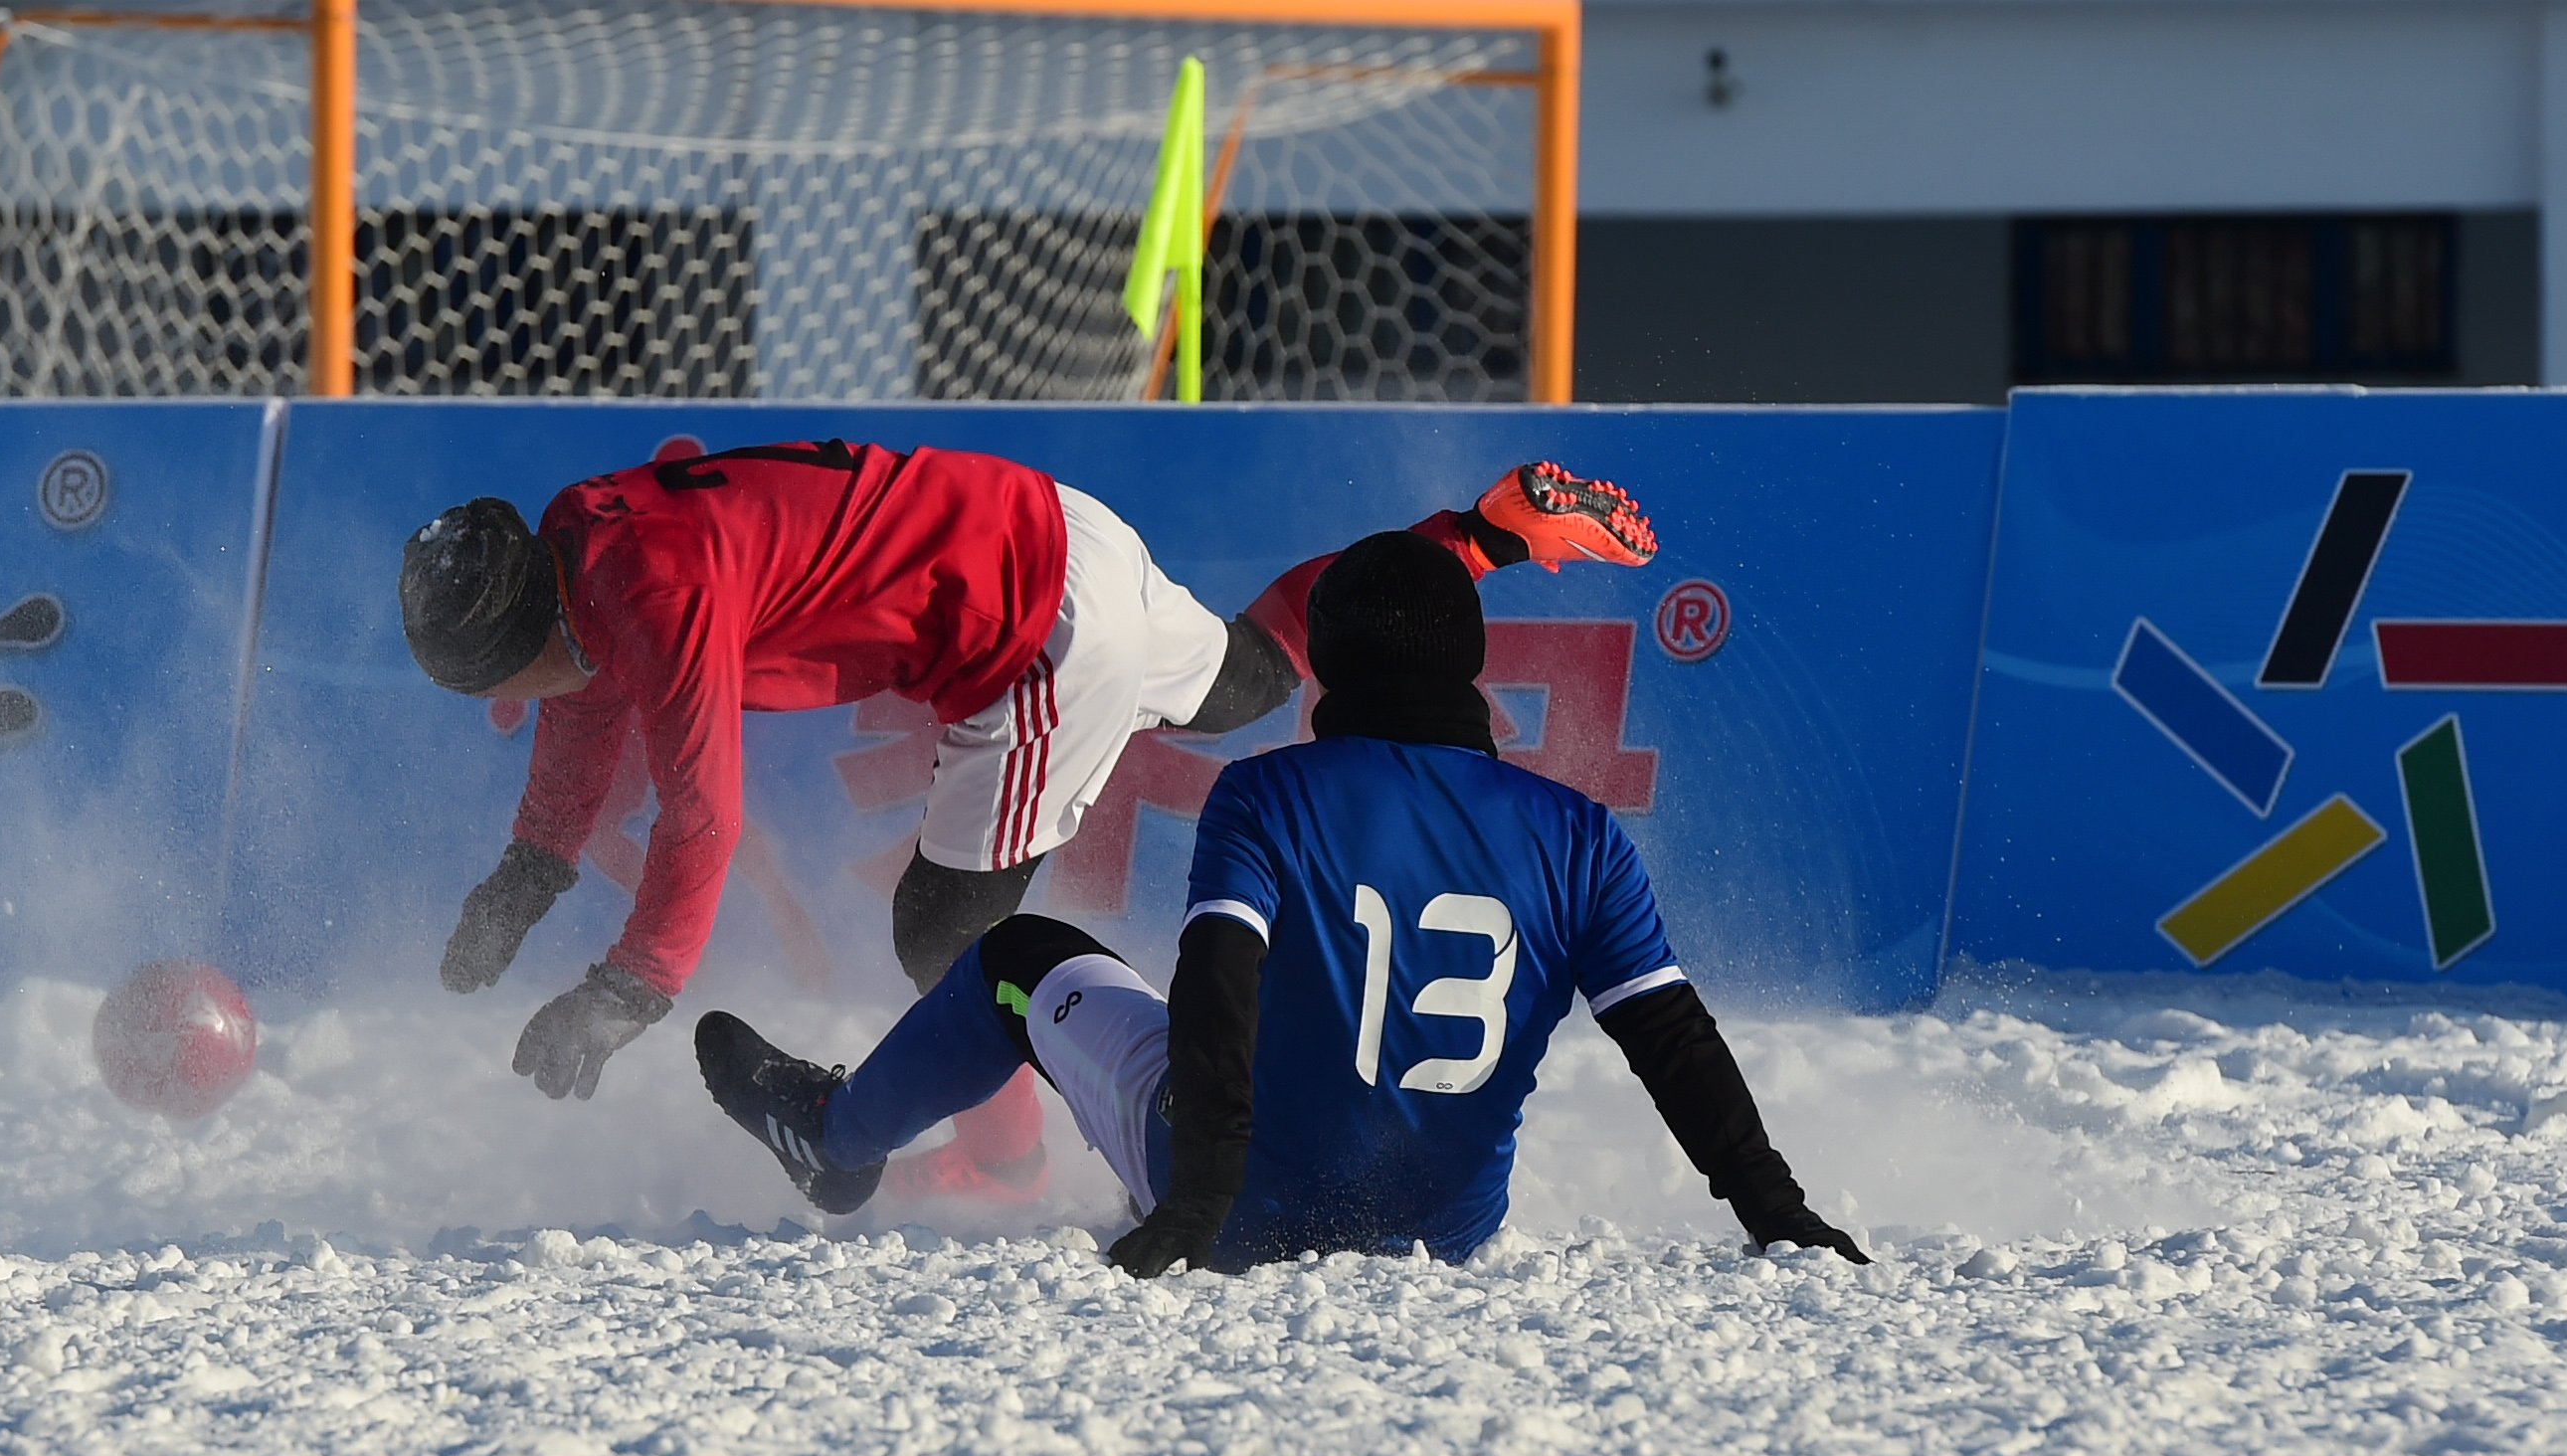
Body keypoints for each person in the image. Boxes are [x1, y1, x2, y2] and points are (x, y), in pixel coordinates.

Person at [398, 443, 1656, 1178]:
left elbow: (699, 818)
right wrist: (532, 868)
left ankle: (999, 1165)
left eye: (486, 687)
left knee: (941, 932)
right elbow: (580, 692)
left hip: (1030, 635)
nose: (506, 704)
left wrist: (628, 987)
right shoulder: (578, 541)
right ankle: (1485, 534)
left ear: (525, 639)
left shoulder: (648, 600)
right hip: (1047, 522)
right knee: (1244, 675)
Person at [694, 529, 1866, 1274]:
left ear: (1329, 670)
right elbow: (1668, 1035)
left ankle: (837, 1141)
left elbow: (1216, 986)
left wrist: (1201, 1190)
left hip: (1241, 1205)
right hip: (1446, 1231)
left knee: (1012, 949)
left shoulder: (1269, 790)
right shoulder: (1579, 832)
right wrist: (1774, 1205)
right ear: (1467, 666)